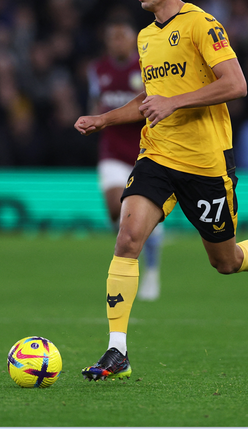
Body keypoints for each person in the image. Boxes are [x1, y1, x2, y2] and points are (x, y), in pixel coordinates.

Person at [74, 0, 248, 381]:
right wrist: (104, 119)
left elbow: (236, 83)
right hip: (157, 155)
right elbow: (149, 98)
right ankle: (116, 351)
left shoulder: (202, 24)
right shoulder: (146, 37)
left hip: (206, 165)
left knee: (226, 261)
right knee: (126, 238)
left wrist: (175, 103)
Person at [87, 16, 164, 301]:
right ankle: (131, 251)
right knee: (114, 208)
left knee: (139, 217)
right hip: (112, 149)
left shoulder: (146, 67)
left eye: (122, 36)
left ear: (132, 39)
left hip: (146, 149)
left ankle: (152, 272)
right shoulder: (97, 69)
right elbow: (95, 100)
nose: (117, 42)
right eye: (112, 37)